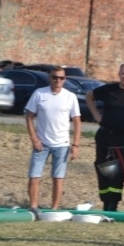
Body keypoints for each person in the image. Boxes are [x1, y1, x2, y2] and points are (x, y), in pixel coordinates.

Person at [86, 63, 124, 211]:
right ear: (119, 74)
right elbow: (89, 96)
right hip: (105, 136)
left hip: (123, 139)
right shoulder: (109, 89)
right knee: (103, 170)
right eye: (123, 74)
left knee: (118, 173)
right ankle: (106, 203)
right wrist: (96, 116)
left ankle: (114, 204)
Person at [25, 67, 81, 210]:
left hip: (62, 144)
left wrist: (76, 145)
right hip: (41, 144)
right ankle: (33, 207)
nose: (58, 80)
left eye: (61, 78)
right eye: (55, 77)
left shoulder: (70, 97)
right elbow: (29, 116)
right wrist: (34, 138)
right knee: (34, 176)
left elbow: (77, 121)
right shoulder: (39, 93)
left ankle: (54, 208)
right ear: (50, 78)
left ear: (65, 79)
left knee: (58, 177)